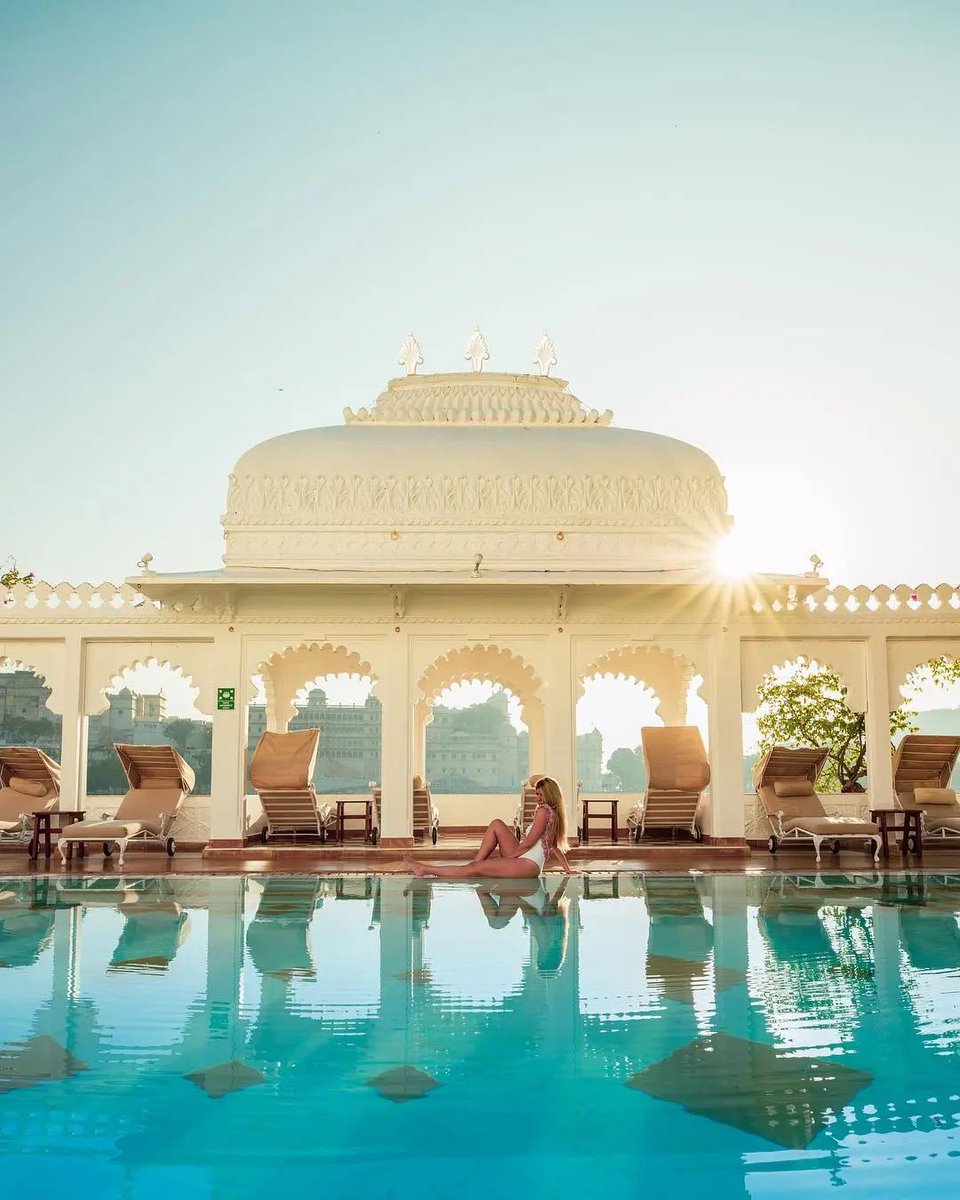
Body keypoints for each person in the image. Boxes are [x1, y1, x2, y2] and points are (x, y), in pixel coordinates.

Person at [403, 775, 574, 878]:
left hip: (528, 863)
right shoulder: (552, 812)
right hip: (528, 861)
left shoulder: (544, 811)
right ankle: (474, 866)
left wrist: (511, 857)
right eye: (536, 794)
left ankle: (424, 869)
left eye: (540, 794)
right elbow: (554, 847)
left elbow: (529, 842)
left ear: (549, 794)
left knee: (474, 869)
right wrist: (568, 870)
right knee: (497, 824)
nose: (537, 798)